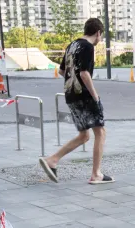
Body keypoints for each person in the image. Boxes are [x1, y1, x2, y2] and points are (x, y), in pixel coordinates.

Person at [39, 18, 114, 185]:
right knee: (100, 133)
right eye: (101, 36)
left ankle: (52, 160)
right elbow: (84, 74)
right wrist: (95, 97)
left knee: (84, 135)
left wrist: (72, 82)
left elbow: (61, 71)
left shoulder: (72, 45)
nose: (100, 39)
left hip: (70, 94)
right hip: (84, 96)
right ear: (98, 33)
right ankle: (96, 174)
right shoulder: (88, 47)